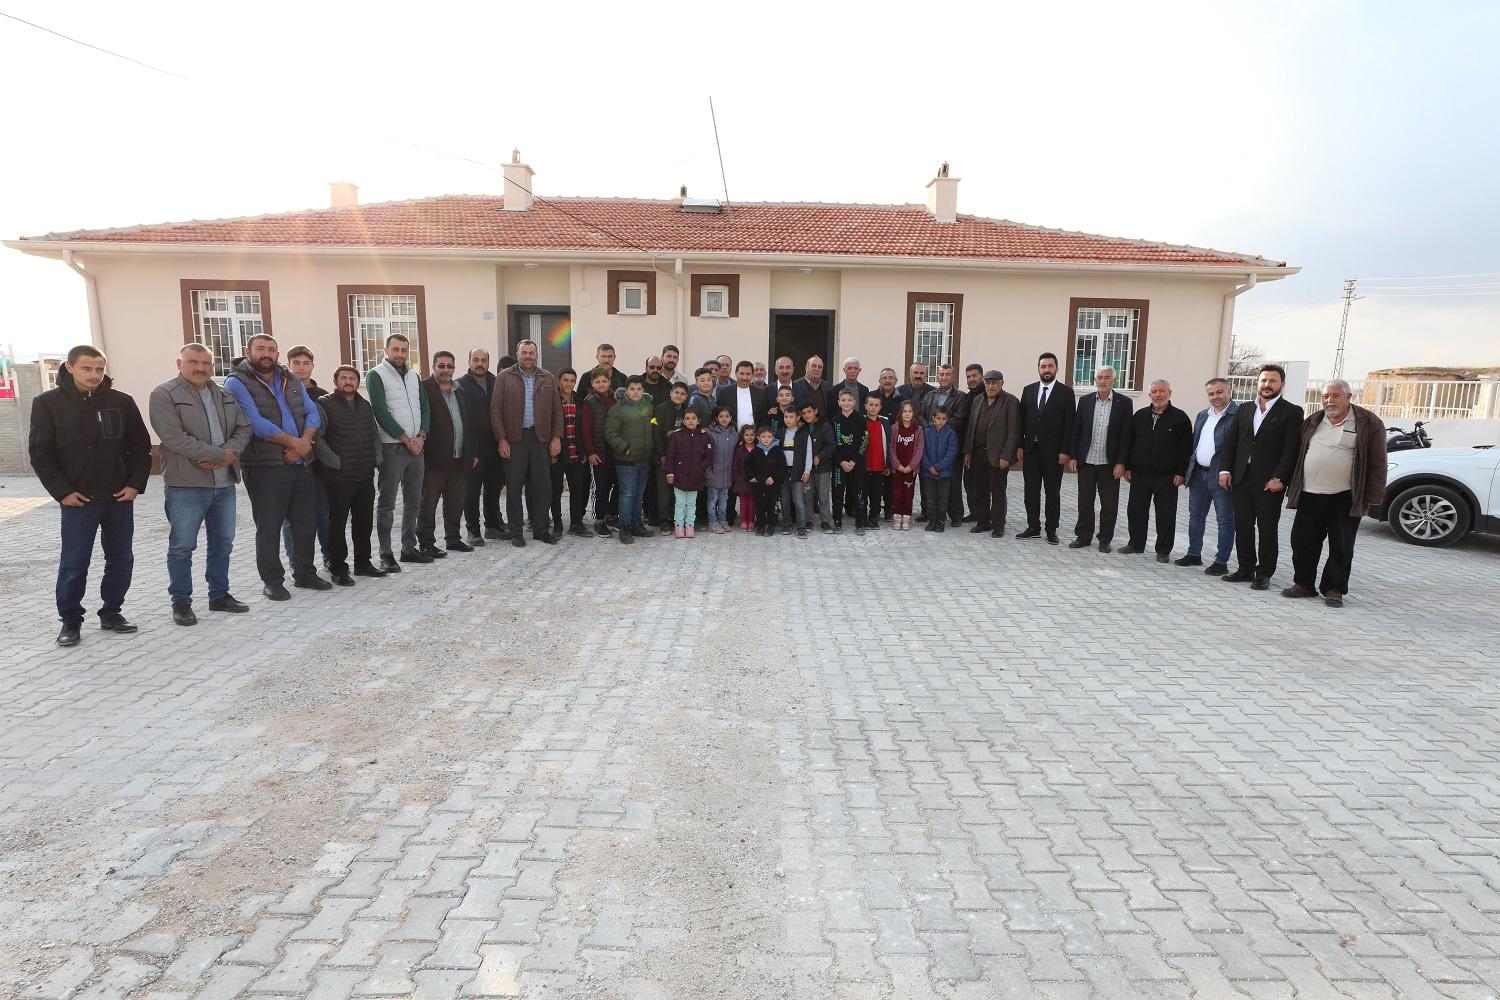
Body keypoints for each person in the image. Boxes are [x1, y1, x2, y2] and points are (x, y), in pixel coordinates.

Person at [32, 344, 151, 645]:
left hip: (118, 499)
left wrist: (134, 485)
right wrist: (62, 492)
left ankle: (112, 612)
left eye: (99, 369)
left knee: (121, 560)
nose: (94, 375)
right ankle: (70, 621)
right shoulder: (47, 404)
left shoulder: (121, 402)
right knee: (74, 564)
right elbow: (41, 455)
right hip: (78, 501)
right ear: (70, 367)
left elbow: (140, 448)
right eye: (87, 368)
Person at [149, 343, 252, 625]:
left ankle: (219, 595)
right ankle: (181, 602)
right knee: (182, 546)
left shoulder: (225, 394)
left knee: (223, 543)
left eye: (206, 363)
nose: (201, 368)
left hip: (224, 483)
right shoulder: (164, 394)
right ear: (179, 363)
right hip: (187, 484)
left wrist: (227, 454)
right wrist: (218, 455)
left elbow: (244, 427)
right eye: (193, 362)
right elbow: (173, 437)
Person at [224, 334, 331, 599]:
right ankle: (272, 580)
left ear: (278, 353)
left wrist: (303, 443)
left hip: (300, 462)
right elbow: (254, 422)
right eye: (260, 349)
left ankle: (304, 573)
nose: (266, 354)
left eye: (271, 349)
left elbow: (312, 412)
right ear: (248, 351)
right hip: (265, 465)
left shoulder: (288, 377)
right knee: (269, 526)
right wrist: (295, 443)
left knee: (304, 522)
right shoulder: (237, 382)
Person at [1283, 379, 1388, 608]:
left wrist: (1371, 497)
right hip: (1309, 494)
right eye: (1326, 396)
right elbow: (1298, 454)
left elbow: (1378, 463)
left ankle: (1334, 589)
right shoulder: (1313, 421)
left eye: (1336, 396)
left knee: (1341, 546)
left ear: (1348, 397)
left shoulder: (1368, 422)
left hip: (1344, 497)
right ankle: (1303, 584)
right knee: (1302, 543)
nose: (1329, 400)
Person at [1218, 363, 1303, 589]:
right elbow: (1231, 442)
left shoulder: (1291, 412)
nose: (1267, 384)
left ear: (1282, 384)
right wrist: (1225, 470)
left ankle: (1264, 572)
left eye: (1272, 381)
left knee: (1267, 528)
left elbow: (1291, 449)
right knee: (1243, 526)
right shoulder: (1244, 409)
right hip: (1241, 478)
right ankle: (1245, 568)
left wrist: (1279, 478)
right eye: (1264, 380)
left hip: (1269, 482)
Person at [366, 332, 430, 572]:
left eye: (404, 350)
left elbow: (425, 408)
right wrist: (405, 439)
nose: (400, 354)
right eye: (395, 349)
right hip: (392, 447)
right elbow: (381, 412)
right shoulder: (376, 375)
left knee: (414, 502)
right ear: (386, 350)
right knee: (387, 504)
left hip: (417, 448)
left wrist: (421, 437)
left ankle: (408, 548)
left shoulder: (414, 376)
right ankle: (386, 554)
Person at [317, 365, 385, 585]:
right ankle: (338, 569)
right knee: (336, 525)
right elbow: (317, 438)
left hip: (364, 474)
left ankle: (363, 563)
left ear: (357, 381)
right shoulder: (324, 404)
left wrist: (377, 457)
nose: (348, 382)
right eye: (343, 378)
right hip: (338, 477)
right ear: (335, 381)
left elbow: (374, 433)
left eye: (352, 378)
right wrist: (334, 462)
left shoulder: (365, 405)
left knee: (364, 522)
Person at [491, 339, 563, 547]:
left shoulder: (548, 377)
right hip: (515, 439)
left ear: (536, 355)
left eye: (531, 353)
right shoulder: (504, 377)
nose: (528, 356)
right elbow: (495, 410)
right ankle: (516, 532)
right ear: (517, 354)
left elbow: (557, 410)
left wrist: (556, 437)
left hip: (541, 439)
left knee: (543, 487)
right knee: (514, 488)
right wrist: (501, 439)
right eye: (524, 352)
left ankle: (541, 530)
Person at [1120, 380, 1193, 561]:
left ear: (1170, 393)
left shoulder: (1180, 418)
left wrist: (1181, 472)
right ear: (1149, 395)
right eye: (1154, 392)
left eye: (1162, 391)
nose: (1158, 395)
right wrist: (1127, 466)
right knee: (1136, 511)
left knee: (1165, 514)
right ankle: (1136, 544)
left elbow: (1186, 448)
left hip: (1167, 475)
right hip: (1140, 473)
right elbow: (1129, 442)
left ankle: (1163, 550)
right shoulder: (1140, 416)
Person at [419, 352, 480, 557]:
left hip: (459, 457)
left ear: (454, 368)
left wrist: (473, 452)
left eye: (449, 366)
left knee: (455, 503)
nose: (446, 370)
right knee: (428, 504)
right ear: (434, 367)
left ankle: (453, 539)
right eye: (441, 366)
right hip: (434, 459)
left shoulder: (460, 390)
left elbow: (469, 423)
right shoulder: (424, 388)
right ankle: (426, 543)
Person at [1068, 366, 1133, 552]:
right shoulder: (1085, 401)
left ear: (1114, 380)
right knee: (1085, 503)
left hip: (1109, 464)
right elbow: (1076, 430)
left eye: (1107, 377)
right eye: (1100, 377)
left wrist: (1121, 462)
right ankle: (1083, 537)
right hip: (1087, 461)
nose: (1103, 381)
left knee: (1109, 505)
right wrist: (1073, 456)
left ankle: (1105, 539)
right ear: (1095, 380)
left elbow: (1126, 435)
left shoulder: (1124, 403)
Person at [1178, 378, 1239, 575]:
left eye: (1219, 392)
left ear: (1229, 391)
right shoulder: (1203, 415)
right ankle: (1194, 554)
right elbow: (1195, 443)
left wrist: (1228, 471)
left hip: (1221, 476)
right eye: (1211, 394)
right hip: (1198, 474)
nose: (1215, 397)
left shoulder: (1238, 415)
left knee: (1224, 520)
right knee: (1196, 516)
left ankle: (1221, 561)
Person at [1016, 352, 1075, 544]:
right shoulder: (1028, 390)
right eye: (1043, 366)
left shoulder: (1066, 393)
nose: (1047, 369)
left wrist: (1065, 451)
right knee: (1031, 491)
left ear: (1057, 368)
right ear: (1038, 369)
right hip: (1031, 451)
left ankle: (1051, 529)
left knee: (1052, 493)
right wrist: (1020, 445)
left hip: (1054, 453)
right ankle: (1033, 526)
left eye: (1050, 366)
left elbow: (1069, 424)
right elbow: (1021, 420)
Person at [281, 345, 330, 569]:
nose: (301, 368)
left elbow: (325, 430)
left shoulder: (322, 396)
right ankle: (296, 563)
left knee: (323, 515)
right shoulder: (280, 391)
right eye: (296, 363)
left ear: (313, 366)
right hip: (291, 462)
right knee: (292, 518)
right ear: (289, 365)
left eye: (306, 363)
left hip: (318, 465)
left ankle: (329, 557)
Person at [963, 370, 1021, 538]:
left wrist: (1006, 456)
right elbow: (971, 427)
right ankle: (982, 522)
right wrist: (968, 452)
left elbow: (1014, 431)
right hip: (977, 454)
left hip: (998, 456)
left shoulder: (1010, 401)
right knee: (979, 491)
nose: (991, 386)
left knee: (997, 492)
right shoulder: (977, 400)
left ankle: (998, 526)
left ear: (1001, 384)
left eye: (994, 383)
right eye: (988, 383)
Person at [457, 348, 506, 546]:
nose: (480, 363)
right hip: (473, 446)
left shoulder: (497, 382)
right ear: (469, 362)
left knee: (493, 488)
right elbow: (462, 420)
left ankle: (493, 526)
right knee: (472, 490)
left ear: (488, 362)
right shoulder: (460, 385)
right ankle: (473, 530)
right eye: (476, 360)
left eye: (483, 360)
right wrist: (470, 450)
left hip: (495, 445)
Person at [604, 376, 655, 544]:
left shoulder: (648, 407)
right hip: (626, 461)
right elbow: (610, 433)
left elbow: (653, 424)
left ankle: (636, 524)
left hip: (645, 459)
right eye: (632, 389)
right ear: (626, 391)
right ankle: (624, 527)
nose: (635, 392)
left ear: (643, 390)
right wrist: (624, 448)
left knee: (639, 494)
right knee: (627, 494)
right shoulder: (618, 409)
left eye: (639, 389)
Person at [920, 364, 969, 526]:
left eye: (948, 374)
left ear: (953, 377)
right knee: (929, 484)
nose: (944, 377)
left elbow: (959, 418)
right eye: (942, 374)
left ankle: (956, 516)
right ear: (937, 377)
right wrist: (930, 429)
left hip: (949, 445)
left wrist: (940, 427)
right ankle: (930, 514)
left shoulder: (961, 397)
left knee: (952, 483)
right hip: (930, 444)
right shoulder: (929, 396)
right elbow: (922, 415)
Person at [550, 368, 593, 538]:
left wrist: (584, 451)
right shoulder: (552, 400)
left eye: (572, 380)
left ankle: (576, 523)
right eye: (565, 380)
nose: (568, 384)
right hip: (557, 453)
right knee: (556, 490)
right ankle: (557, 524)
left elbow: (584, 429)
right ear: (559, 381)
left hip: (576, 452)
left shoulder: (580, 401)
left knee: (577, 489)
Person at [580, 370, 618, 536]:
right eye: (597, 382)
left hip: (616, 451)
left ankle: (611, 515)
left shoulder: (617, 398)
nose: (601, 384)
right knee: (601, 487)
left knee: (618, 484)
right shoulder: (589, 401)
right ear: (592, 384)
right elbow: (586, 430)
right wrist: (590, 452)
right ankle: (599, 519)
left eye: (604, 381)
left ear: (609, 382)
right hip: (599, 452)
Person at [665, 408, 713, 538]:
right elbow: (670, 456)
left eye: (693, 418)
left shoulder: (704, 436)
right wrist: (670, 473)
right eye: (687, 418)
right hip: (679, 475)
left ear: (698, 421)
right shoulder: (676, 436)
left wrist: (701, 469)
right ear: (683, 421)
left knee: (691, 503)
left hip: (696, 476)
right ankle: (679, 526)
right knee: (680, 503)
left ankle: (690, 525)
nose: (691, 421)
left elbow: (709, 456)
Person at [653, 381, 691, 535]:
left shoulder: (687, 410)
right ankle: (664, 520)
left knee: (679, 491)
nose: (679, 396)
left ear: (686, 396)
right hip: (664, 456)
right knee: (664, 491)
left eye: (682, 394)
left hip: (681, 458)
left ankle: (677, 520)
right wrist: (662, 454)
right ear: (671, 393)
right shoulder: (660, 409)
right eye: (676, 392)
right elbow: (656, 433)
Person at [830, 389, 868, 532]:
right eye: (843, 400)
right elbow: (832, 444)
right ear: (839, 402)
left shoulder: (861, 419)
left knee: (859, 493)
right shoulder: (834, 421)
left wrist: (854, 461)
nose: (846, 403)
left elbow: (865, 441)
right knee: (837, 493)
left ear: (854, 402)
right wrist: (841, 462)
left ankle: (860, 522)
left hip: (857, 464)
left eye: (849, 400)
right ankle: (837, 522)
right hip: (839, 465)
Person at [922, 408, 959, 532]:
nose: (941, 421)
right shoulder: (926, 432)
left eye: (944, 419)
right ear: (933, 418)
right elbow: (922, 452)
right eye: (938, 418)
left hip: (944, 473)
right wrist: (930, 467)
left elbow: (951, 454)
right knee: (930, 498)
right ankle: (932, 520)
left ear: (947, 419)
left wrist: (938, 467)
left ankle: (940, 521)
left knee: (943, 498)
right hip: (928, 472)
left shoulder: (951, 434)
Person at [889, 400, 924, 530]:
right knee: (897, 493)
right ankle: (897, 515)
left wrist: (911, 466)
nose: (907, 414)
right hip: (898, 468)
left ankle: (907, 516)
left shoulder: (918, 430)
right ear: (901, 413)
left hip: (910, 469)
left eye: (910, 411)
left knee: (908, 494)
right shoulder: (894, 428)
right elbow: (890, 448)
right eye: (904, 411)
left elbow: (920, 449)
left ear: (914, 413)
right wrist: (897, 465)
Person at [777, 406, 812, 536]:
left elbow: (808, 453)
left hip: (797, 472)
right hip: (783, 472)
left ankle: (801, 525)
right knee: (785, 499)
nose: (788, 419)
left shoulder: (804, 434)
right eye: (786, 416)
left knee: (799, 500)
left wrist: (807, 470)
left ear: (798, 418)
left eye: (791, 417)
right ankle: (787, 524)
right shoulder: (780, 434)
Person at [801, 400, 834, 532]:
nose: (807, 415)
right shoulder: (802, 428)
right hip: (807, 468)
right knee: (808, 494)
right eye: (804, 413)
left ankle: (825, 521)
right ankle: (808, 520)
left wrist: (820, 456)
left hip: (823, 468)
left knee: (823, 495)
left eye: (809, 411)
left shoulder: (825, 426)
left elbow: (831, 445)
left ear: (815, 411)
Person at [706, 406, 739, 533]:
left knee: (724, 499)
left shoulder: (734, 434)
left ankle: (723, 520)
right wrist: (708, 470)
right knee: (712, 499)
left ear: (731, 418)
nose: (724, 419)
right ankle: (712, 522)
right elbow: (707, 454)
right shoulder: (711, 434)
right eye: (721, 416)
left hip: (727, 473)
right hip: (713, 472)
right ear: (716, 418)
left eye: (727, 416)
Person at [861, 392, 891, 531]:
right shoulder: (860, 421)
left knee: (876, 494)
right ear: (865, 406)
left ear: (880, 407)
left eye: (876, 405)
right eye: (871, 404)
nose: (873, 407)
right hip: (863, 466)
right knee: (862, 494)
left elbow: (889, 444)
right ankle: (862, 518)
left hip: (879, 465)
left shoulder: (884, 422)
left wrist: (888, 464)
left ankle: (874, 518)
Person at [748, 426, 784, 537]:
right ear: (758, 438)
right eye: (763, 437)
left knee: (771, 506)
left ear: (773, 438)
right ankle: (760, 525)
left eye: (769, 437)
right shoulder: (755, 451)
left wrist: (774, 477)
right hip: (759, 485)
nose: (766, 439)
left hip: (773, 486)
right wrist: (751, 476)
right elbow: (748, 465)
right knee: (760, 506)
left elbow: (782, 467)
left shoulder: (777, 451)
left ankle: (771, 526)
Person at [715, 360, 768, 431]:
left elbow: (763, 417)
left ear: (752, 375)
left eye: (748, 374)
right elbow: (719, 416)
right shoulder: (725, 393)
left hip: (754, 435)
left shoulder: (760, 393)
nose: (744, 378)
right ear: (736, 374)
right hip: (731, 435)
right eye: (742, 374)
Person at [963, 363, 987, 521]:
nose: (971, 379)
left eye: (974, 376)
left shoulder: (988, 395)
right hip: (969, 448)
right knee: (969, 482)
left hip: (985, 449)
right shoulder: (967, 397)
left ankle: (989, 515)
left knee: (985, 486)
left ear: (981, 376)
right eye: (968, 376)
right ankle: (975, 513)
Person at [731, 425, 759, 532]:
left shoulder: (758, 448)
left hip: (754, 480)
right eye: (747, 435)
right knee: (743, 502)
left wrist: (757, 477)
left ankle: (751, 521)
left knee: (752, 503)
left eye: (752, 435)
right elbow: (735, 465)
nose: (749, 437)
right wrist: (737, 477)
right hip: (742, 480)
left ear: (755, 435)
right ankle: (743, 521)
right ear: (742, 436)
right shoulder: (739, 449)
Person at [768, 356, 798, 423]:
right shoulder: (766, 391)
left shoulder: (802, 391)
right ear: (775, 370)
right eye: (781, 367)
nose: (785, 371)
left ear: (793, 370)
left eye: (788, 367)